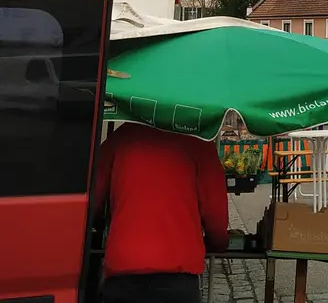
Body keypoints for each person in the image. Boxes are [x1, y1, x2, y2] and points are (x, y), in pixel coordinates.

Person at [90, 122, 230, 302]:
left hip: (123, 269)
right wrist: (217, 243)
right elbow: (216, 214)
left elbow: (92, 199)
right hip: (178, 274)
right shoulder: (198, 141)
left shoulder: (121, 137)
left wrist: (99, 224)